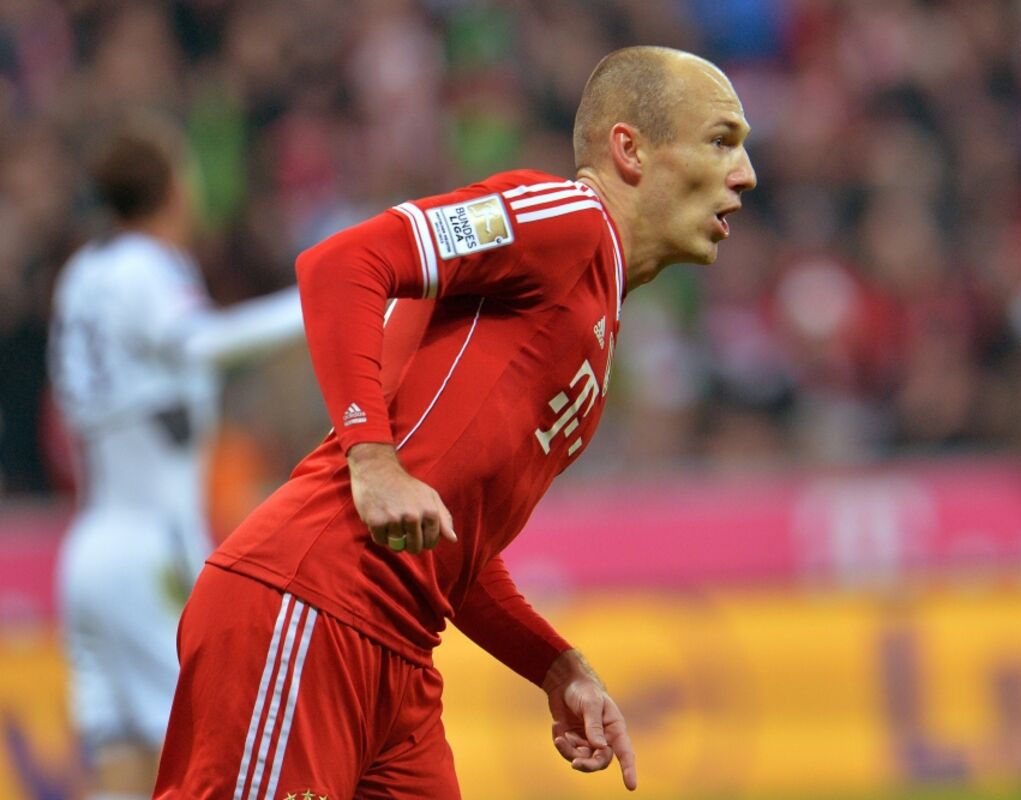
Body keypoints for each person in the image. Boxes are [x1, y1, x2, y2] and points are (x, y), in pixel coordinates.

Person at [153, 45, 756, 798]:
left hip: (400, 656)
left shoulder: (599, 327)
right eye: (722, 141)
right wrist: (371, 457)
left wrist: (555, 664)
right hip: (310, 602)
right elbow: (341, 265)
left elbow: (451, 543)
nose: (745, 174)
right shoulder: (566, 219)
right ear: (629, 150)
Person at [48, 119, 305, 800]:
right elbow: (199, 342)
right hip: (151, 551)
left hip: (88, 551)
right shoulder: (147, 267)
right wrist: (314, 300)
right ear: (170, 188)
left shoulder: (81, 274)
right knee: (212, 756)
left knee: (121, 773)